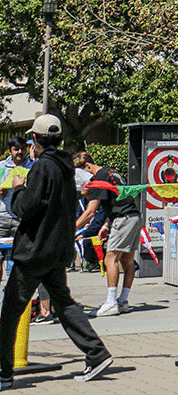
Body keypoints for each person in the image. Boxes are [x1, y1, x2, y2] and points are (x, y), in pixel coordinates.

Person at [0, 115, 112, 386]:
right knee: (64, 303)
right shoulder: (66, 167)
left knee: (10, 311)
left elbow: (26, 207)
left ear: (35, 140)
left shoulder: (41, 168)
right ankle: (96, 353)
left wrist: (16, 191)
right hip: (56, 249)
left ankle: (3, 372)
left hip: (34, 250)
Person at [76, 156, 141, 316]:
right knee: (127, 259)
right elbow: (116, 202)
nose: (85, 183)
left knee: (110, 259)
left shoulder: (99, 178)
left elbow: (91, 211)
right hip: (134, 216)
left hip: (123, 219)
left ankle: (111, 303)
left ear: (87, 166)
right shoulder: (112, 172)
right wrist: (106, 225)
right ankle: (122, 301)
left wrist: (71, 228)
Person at [0, 140, 28, 239]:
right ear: (10, 151)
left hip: (21, 218)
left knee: (21, 252)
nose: (19, 152)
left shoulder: (32, 166)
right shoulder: (1, 166)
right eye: (16, 149)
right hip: (2, 216)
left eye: (22, 149)